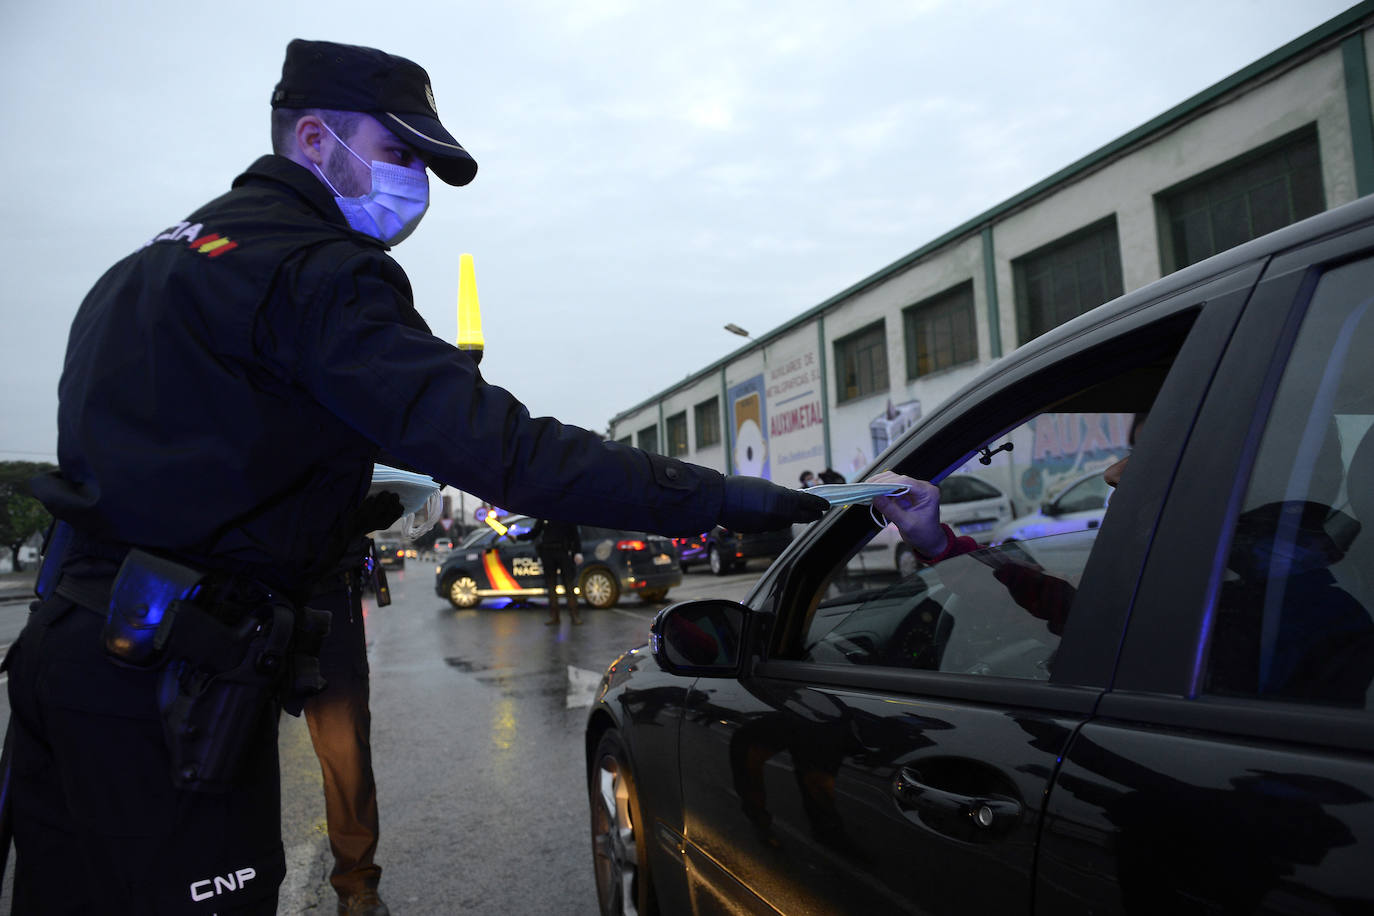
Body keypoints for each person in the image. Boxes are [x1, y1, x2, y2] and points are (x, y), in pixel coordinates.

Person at [2, 38, 827, 913]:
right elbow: (508, 454)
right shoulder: (319, 274)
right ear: (315, 140)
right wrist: (731, 501)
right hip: (171, 694)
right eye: (400, 154)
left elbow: (186, 460)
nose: (417, 185)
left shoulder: (143, 268)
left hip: (68, 658)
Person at [303, 529, 390, 915]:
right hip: (242, 581)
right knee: (228, 748)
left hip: (331, 590)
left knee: (347, 753)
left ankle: (356, 882)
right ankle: (231, 885)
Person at [521, 518, 584, 625]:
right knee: (551, 587)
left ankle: (574, 615)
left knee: (569, 586)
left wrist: (578, 552)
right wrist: (517, 537)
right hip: (548, 554)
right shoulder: (544, 514)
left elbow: (575, 535)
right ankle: (555, 617)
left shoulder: (565, 514)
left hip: (563, 552)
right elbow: (534, 532)